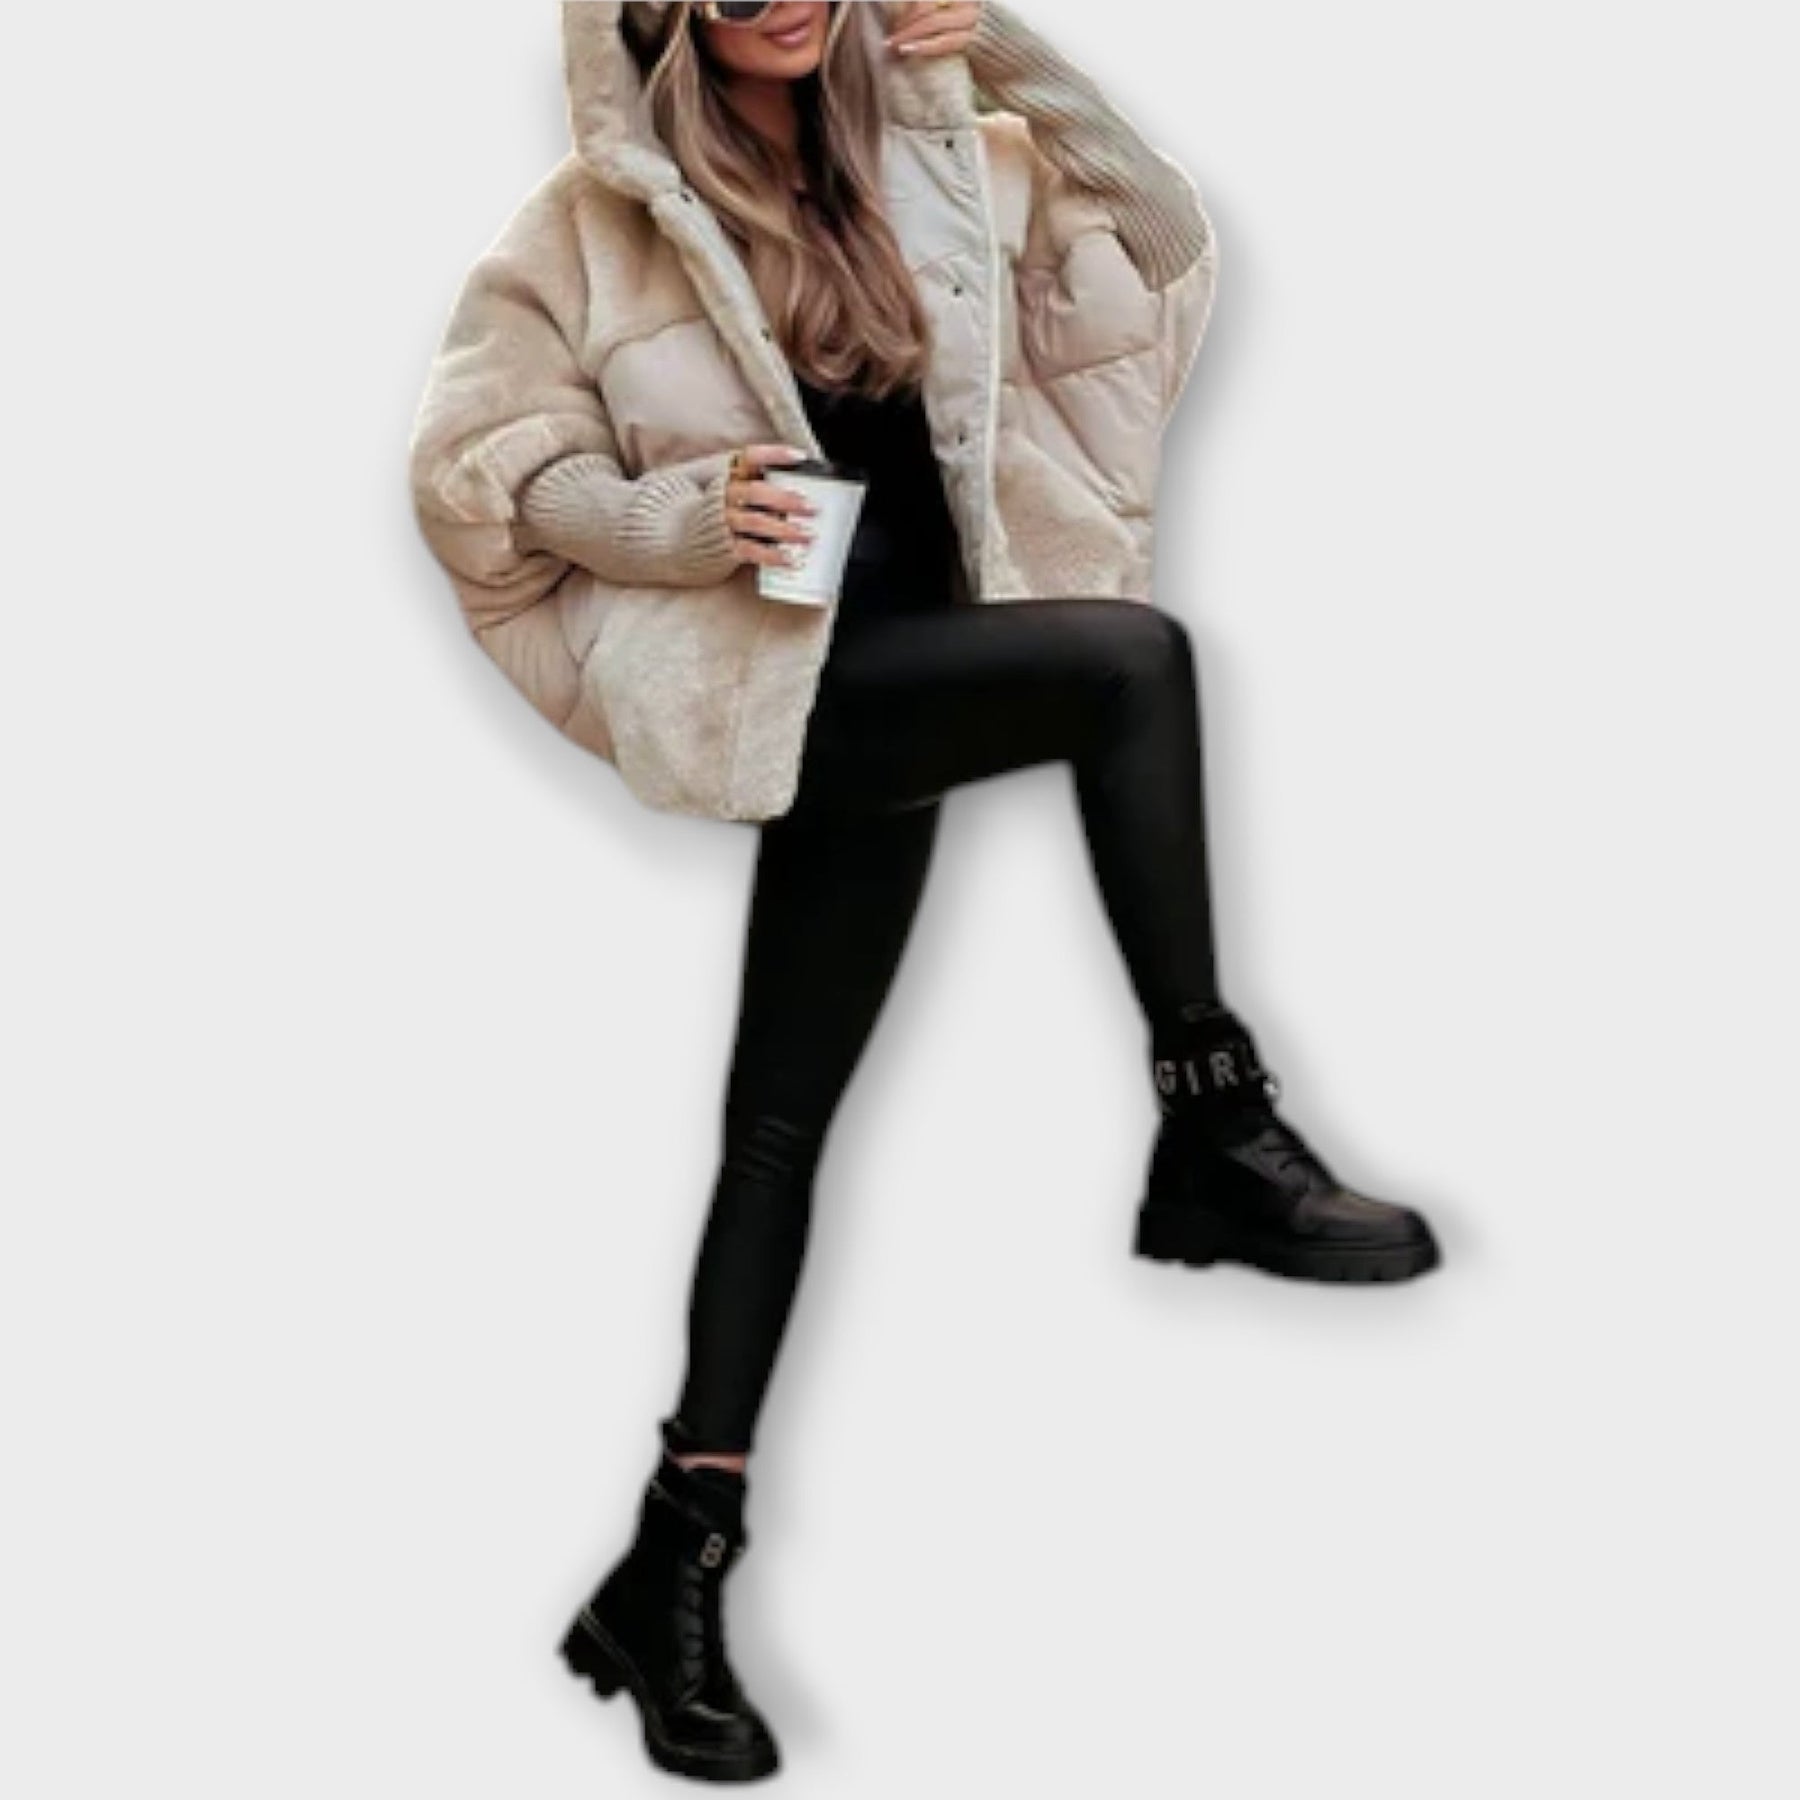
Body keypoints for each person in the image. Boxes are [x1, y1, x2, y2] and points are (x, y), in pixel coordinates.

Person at [408, 1, 1443, 1782]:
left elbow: (1162, 255)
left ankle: (668, 1563)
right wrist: (678, 521)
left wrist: (1004, 54)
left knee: (774, 1137)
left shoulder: (940, 164)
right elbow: (475, 479)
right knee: (1131, 665)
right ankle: (1212, 1119)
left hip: (901, 677)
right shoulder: (587, 224)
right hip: (782, 687)